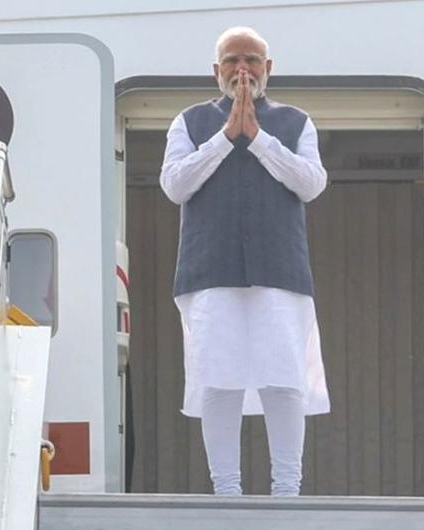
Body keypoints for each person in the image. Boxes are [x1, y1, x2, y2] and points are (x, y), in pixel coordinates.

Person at [159, 26, 330, 497]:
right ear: (216, 70)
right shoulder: (189, 122)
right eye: (233, 61)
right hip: (210, 270)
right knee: (218, 380)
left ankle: (287, 490)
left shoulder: (296, 122)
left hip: (280, 271)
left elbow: (311, 184)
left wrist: (257, 138)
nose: (242, 70)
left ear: (267, 68)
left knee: (284, 378)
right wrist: (224, 138)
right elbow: (174, 185)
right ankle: (227, 492)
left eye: (251, 60)